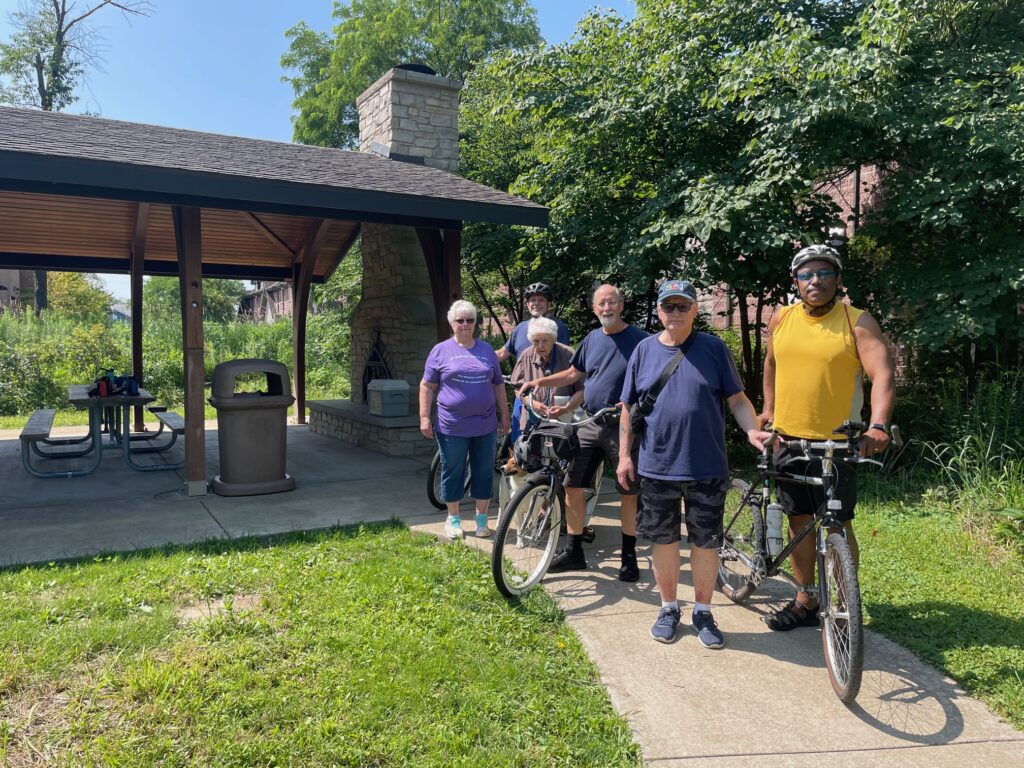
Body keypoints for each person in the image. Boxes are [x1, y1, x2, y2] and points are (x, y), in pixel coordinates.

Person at [618, 279, 771, 647]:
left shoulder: (713, 348)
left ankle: (703, 610)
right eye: (668, 306)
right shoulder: (642, 351)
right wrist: (625, 454)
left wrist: (751, 430)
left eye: (682, 306)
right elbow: (628, 407)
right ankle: (669, 607)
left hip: (706, 466)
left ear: (693, 311)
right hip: (656, 466)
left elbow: (736, 399)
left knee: (705, 543)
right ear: (659, 311)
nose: (675, 312)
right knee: (664, 541)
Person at [757, 244, 895, 631]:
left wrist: (878, 424)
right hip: (788, 440)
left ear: (837, 280)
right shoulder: (781, 318)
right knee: (798, 519)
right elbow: (771, 364)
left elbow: (881, 374)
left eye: (824, 273)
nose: (814, 281)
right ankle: (804, 598)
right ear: (796, 282)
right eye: (806, 275)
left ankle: (843, 602)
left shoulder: (857, 321)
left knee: (837, 522)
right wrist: (768, 410)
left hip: (836, 443)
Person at [521, 284, 648, 582]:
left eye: (612, 303)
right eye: (601, 304)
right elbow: (572, 374)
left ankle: (629, 558)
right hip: (590, 423)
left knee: (627, 492)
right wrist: (540, 383)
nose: (607, 308)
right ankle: (574, 551)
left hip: (623, 427)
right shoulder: (592, 339)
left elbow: (652, 381)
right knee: (572, 486)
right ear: (594, 309)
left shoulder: (641, 340)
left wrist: (636, 401)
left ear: (621, 305)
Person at [420, 299, 511, 540]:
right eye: (460, 320)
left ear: (475, 323)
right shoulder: (440, 351)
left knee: (483, 470)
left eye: (470, 320)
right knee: (453, 469)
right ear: (452, 323)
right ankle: (454, 518)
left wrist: (505, 415)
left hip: (485, 424)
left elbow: (498, 385)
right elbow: (427, 386)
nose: (465, 324)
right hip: (452, 425)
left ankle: (482, 519)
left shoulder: (486, 350)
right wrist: (424, 417)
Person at [508, 317, 583, 432]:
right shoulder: (526, 355)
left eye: (545, 341)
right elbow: (518, 389)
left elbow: (583, 390)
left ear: (554, 339)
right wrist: (533, 403)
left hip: (565, 421)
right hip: (533, 420)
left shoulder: (568, 354)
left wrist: (566, 408)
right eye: (536, 341)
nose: (540, 346)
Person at [495, 282, 571, 365]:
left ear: (548, 304)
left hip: (547, 377)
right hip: (522, 377)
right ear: (528, 304)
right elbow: (502, 353)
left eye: (541, 300)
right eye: (533, 300)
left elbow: (564, 359)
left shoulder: (558, 327)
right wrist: (481, 356)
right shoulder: (520, 328)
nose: (536, 303)